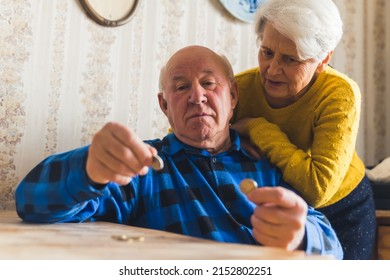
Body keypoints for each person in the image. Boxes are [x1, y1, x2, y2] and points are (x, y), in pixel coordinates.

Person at [15, 45, 342, 259]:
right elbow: (30, 202)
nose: (197, 96)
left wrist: (302, 235)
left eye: (209, 83)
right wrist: (87, 168)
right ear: (164, 105)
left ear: (234, 96)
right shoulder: (143, 167)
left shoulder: (265, 164)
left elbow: (333, 247)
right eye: (182, 86)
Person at [230, 0, 375, 260]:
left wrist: (257, 128)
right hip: (274, 209)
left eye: (290, 59)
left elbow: (317, 190)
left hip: (342, 207)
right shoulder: (240, 89)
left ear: (323, 59)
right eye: (266, 52)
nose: (272, 70)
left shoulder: (339, 93)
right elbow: (186, 140)